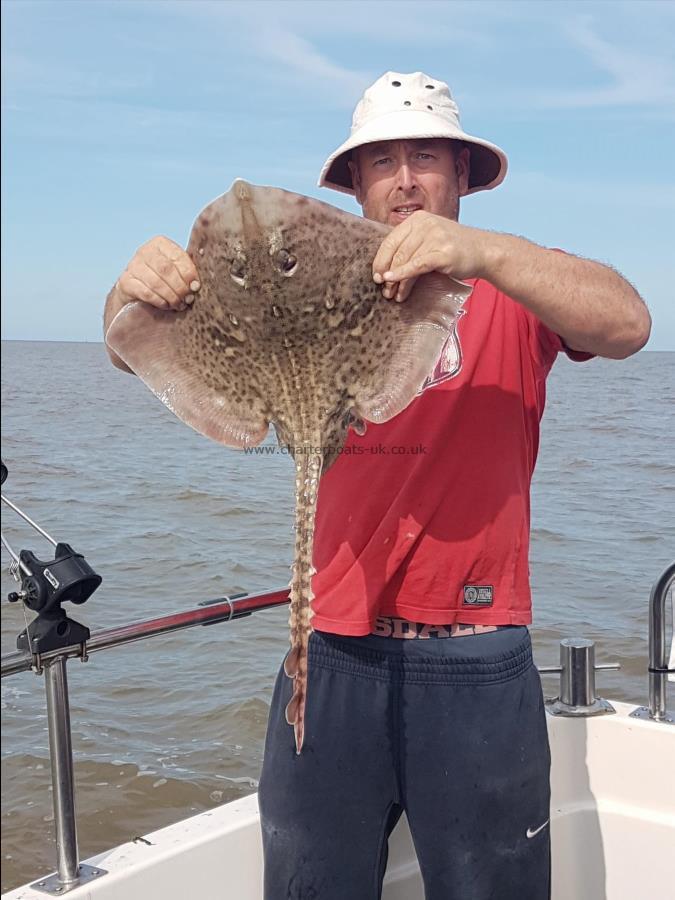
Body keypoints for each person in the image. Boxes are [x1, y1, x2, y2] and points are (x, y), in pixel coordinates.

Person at [104, 71, 650, 899]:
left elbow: (627, 323)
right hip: (327, 655)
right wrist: (130, 285)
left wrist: (483, 253)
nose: (405, 180)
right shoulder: (309, 280)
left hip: (474, 657)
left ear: (462, 174)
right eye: (381, 162)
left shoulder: (508, 288)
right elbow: (126, 342)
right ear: (353, 188)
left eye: (425, 156)